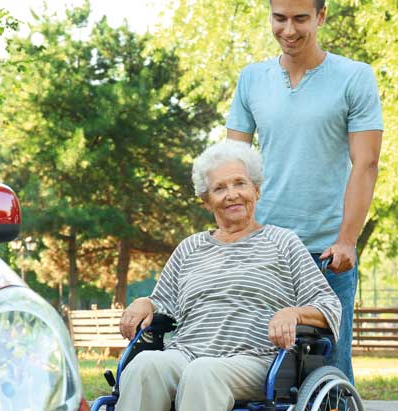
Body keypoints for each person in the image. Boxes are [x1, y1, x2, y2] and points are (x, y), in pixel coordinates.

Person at [225, 0, 383, 384]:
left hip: (325, 255)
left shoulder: (354, 77)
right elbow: (231, 166)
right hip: (263, 251)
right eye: (280, 18)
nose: (289, 30)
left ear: (321, 16)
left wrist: (347, 239)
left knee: (330, 376)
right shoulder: (252, 79)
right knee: (255, 374)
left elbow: (365, 163)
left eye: (300, 18)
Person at [116, 140, 341, 411]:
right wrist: (145, 303)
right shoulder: (190, 247)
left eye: (240, 183)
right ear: (206, 202)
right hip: (185, 353)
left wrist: (294, 313)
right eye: (219, 188)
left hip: (255, 360)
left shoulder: (283, 242)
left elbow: (329, 306)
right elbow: (163, 302)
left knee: (202, 372)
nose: (231, 194)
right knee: (144, 366)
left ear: (256, 190)